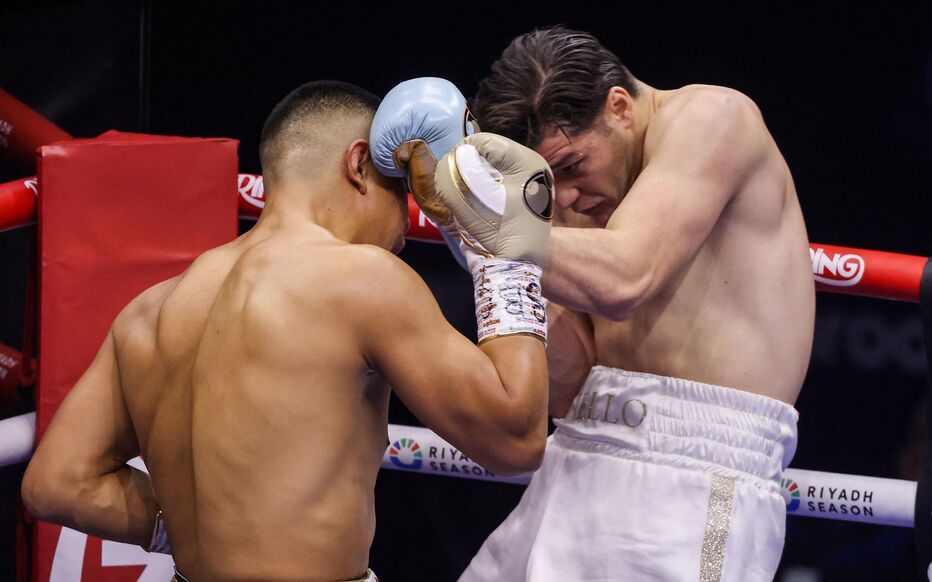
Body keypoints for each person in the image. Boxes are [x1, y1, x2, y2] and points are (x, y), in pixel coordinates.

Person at [21, 80, 554, 582]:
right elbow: (515, 439)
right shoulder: (360, 279)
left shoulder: (151, 309)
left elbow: (58, 483)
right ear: (359, 164)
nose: (402, 231)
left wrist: (185, 531)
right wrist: (505, 258)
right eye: (399, 193)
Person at [443, 26, 816, 581]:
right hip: (577, 452)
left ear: (619, 106)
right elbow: (568, 387)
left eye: (571, 165)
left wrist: (498, 231)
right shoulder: (577, 193)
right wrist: (467, 233)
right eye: (551, 177)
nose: (566, 195)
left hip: (697, 478)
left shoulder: (713, 118)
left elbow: (627, 278)